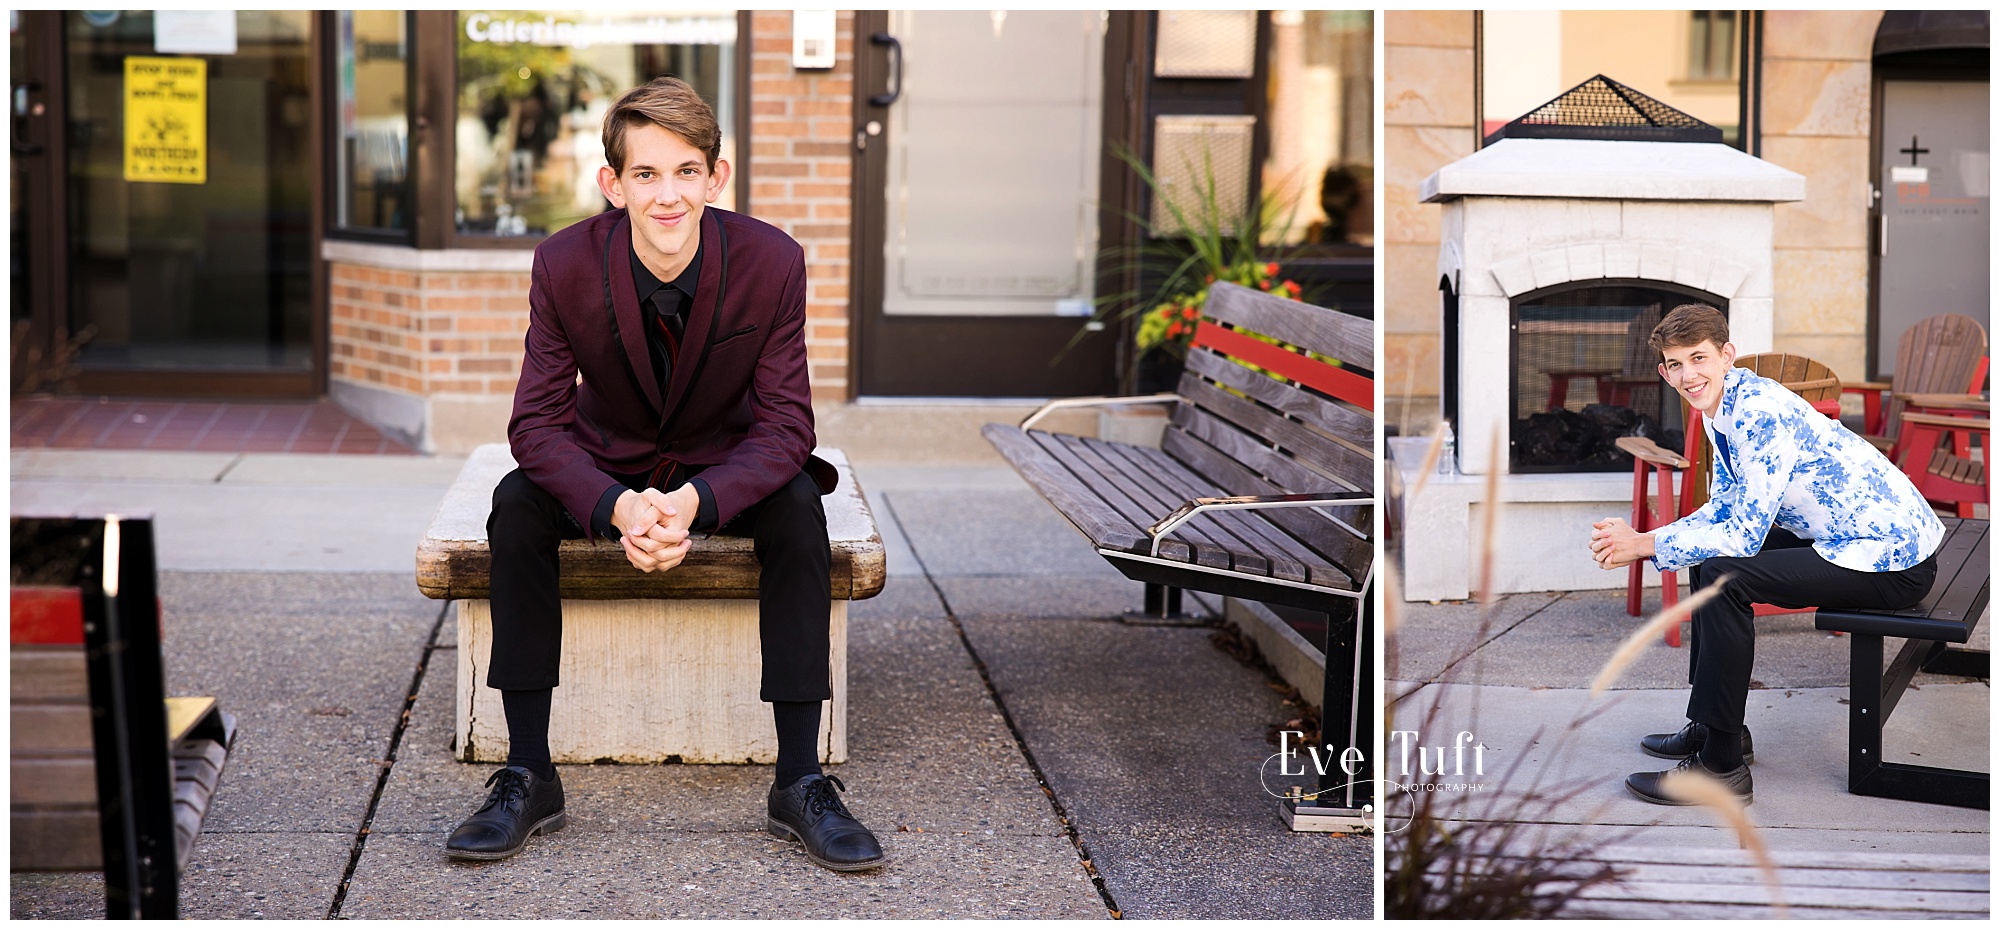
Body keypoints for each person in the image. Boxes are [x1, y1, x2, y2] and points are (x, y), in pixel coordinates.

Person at [443, 76, 884, 871]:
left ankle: (800, 779)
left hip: (724, 461)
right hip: (606, 459)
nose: (668, 195)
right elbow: (534, 426)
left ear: (717, 177)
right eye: (645, 174)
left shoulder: (772, 262)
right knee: (515, 504)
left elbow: (788, 427)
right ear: (613, 185)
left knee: (797, 508)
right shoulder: (563, 264)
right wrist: (616, 506)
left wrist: (695, 503)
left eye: (687, 171)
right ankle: (528, 772)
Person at [1588, 303, 1942, 805]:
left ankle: (1721, 767)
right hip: (1847, 538)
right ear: (1664, 373)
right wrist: (1648, 537)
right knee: (1708, 563)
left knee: (1727, 578)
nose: (1689, 375)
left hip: (1892, 559)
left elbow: (1744, 536)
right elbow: (1723, 511)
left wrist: (1644, 545)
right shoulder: (1722, 406)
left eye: (1699, 358)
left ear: (1726, 355)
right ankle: (1715, 727)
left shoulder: (1758, 412)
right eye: (1676, 364)